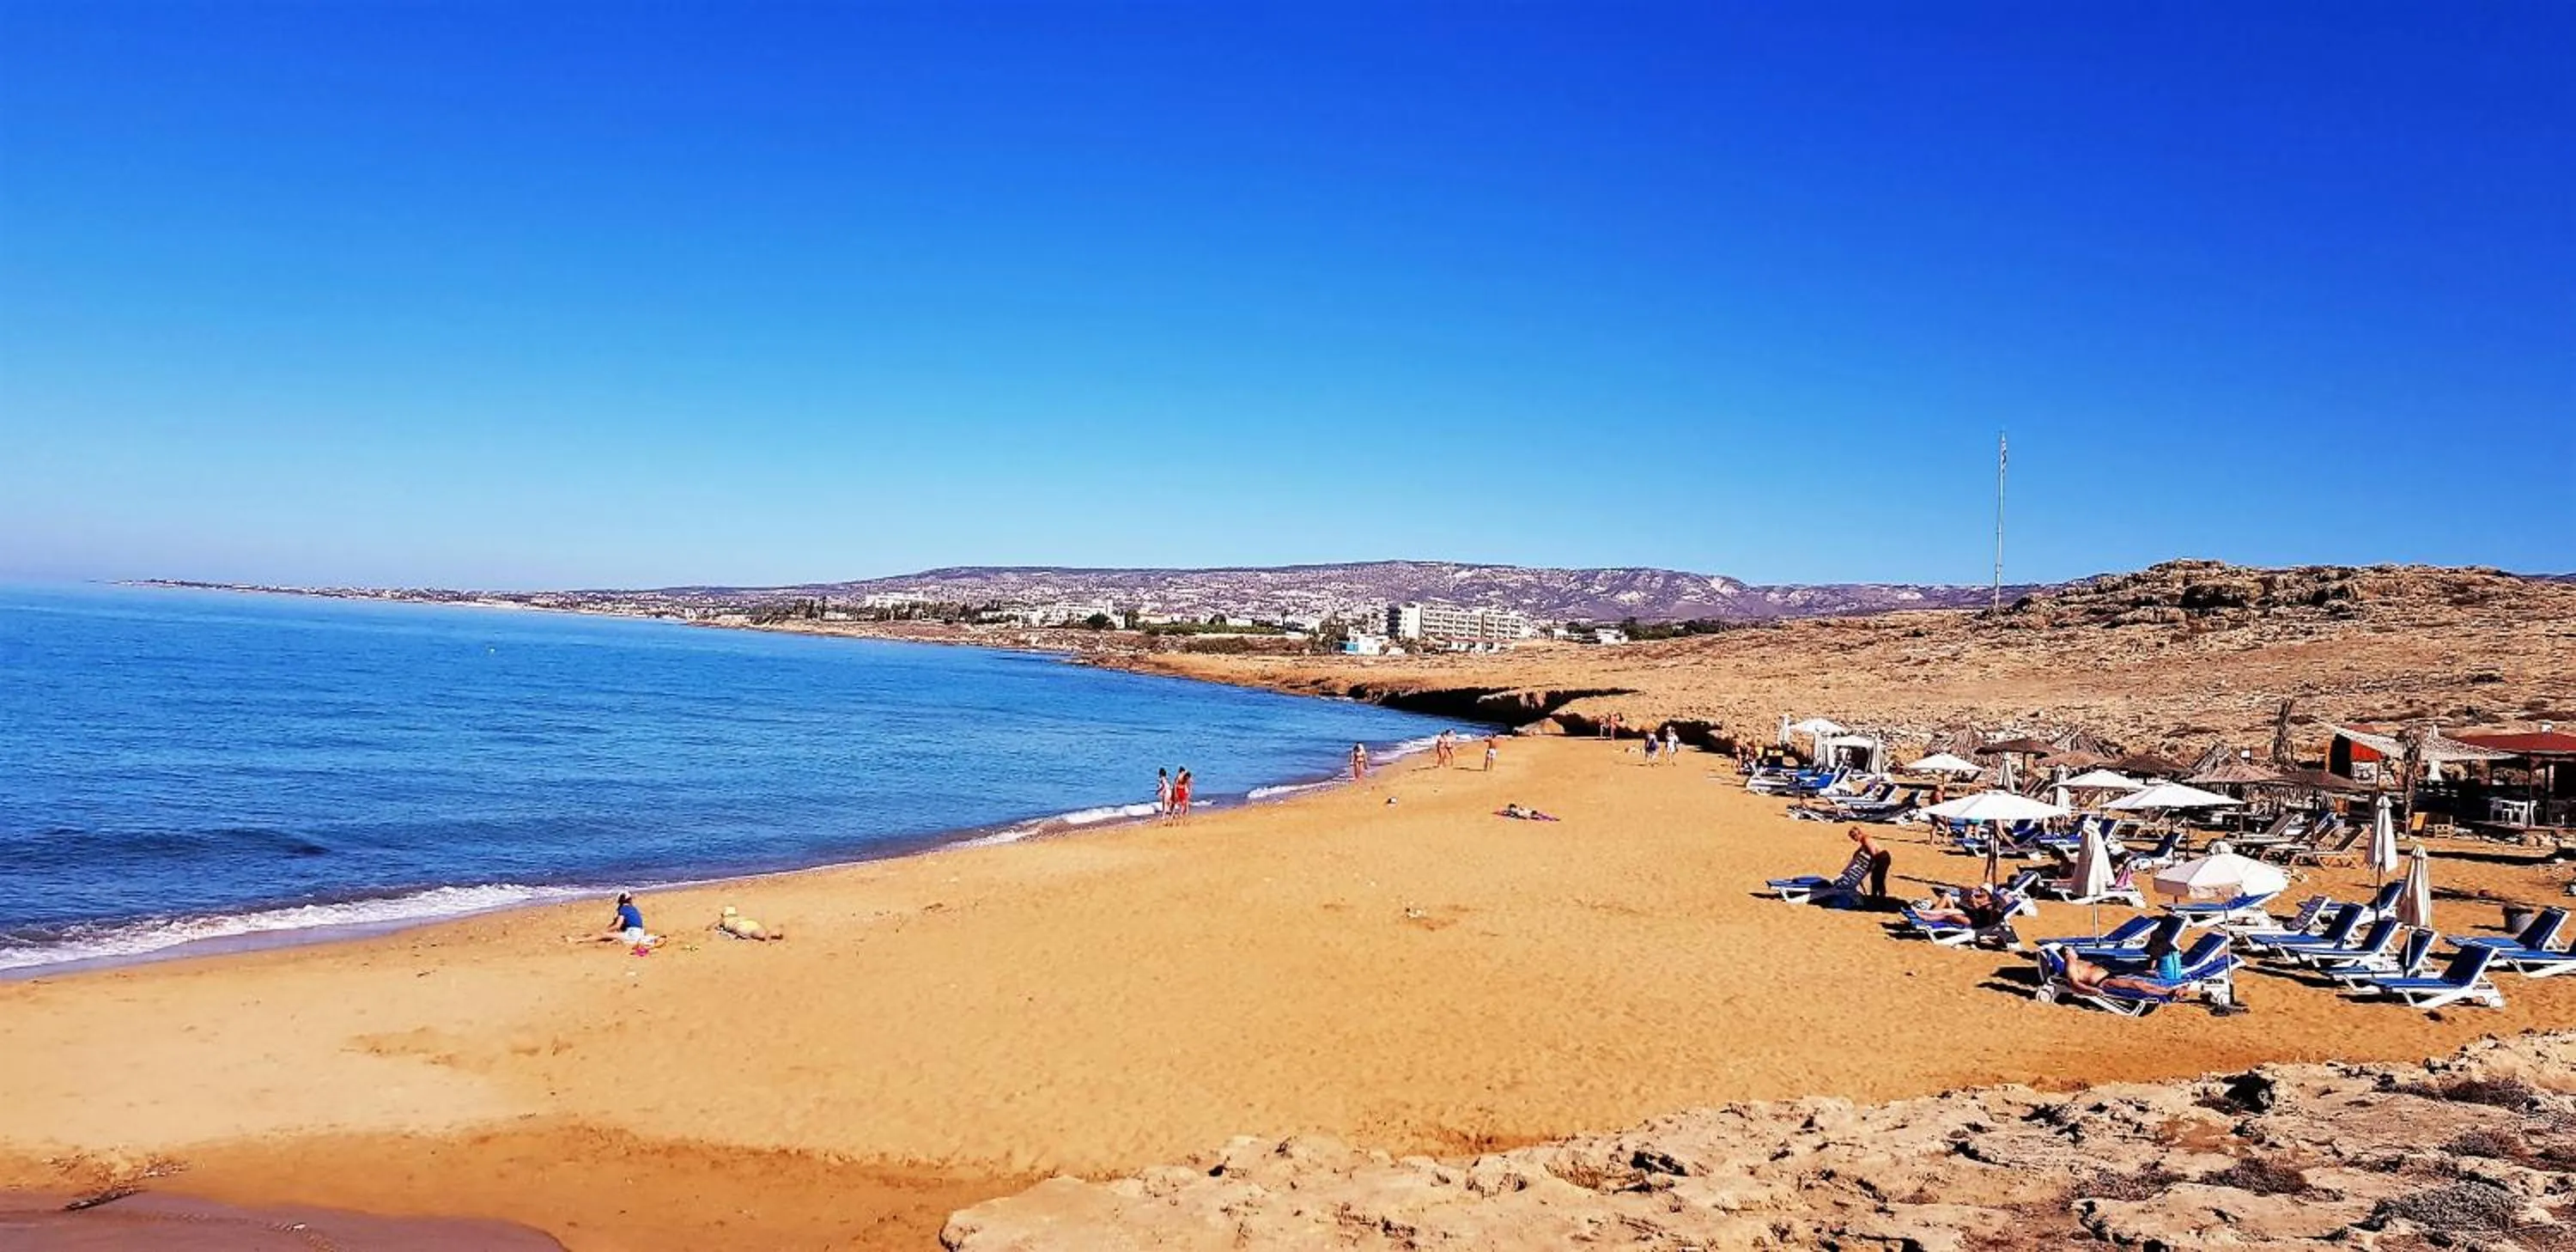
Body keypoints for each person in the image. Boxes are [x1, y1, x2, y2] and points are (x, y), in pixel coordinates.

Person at [588, 892, 658, 951]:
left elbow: (617, 926)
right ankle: (618, 940)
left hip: (633, 934)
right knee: (614, 934)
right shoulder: (633, 908)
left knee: (603, 934)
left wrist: (604, 930)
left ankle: (581, 940)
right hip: (640, 933)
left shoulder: (623, 909)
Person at [714, 905, 784, 941]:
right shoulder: (737, 917)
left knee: (754, 931)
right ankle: (771, 933)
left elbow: (714, 926)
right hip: (746, 922)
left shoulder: (724, 921)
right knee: (756, 928)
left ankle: (768, 935)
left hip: (740, 926)